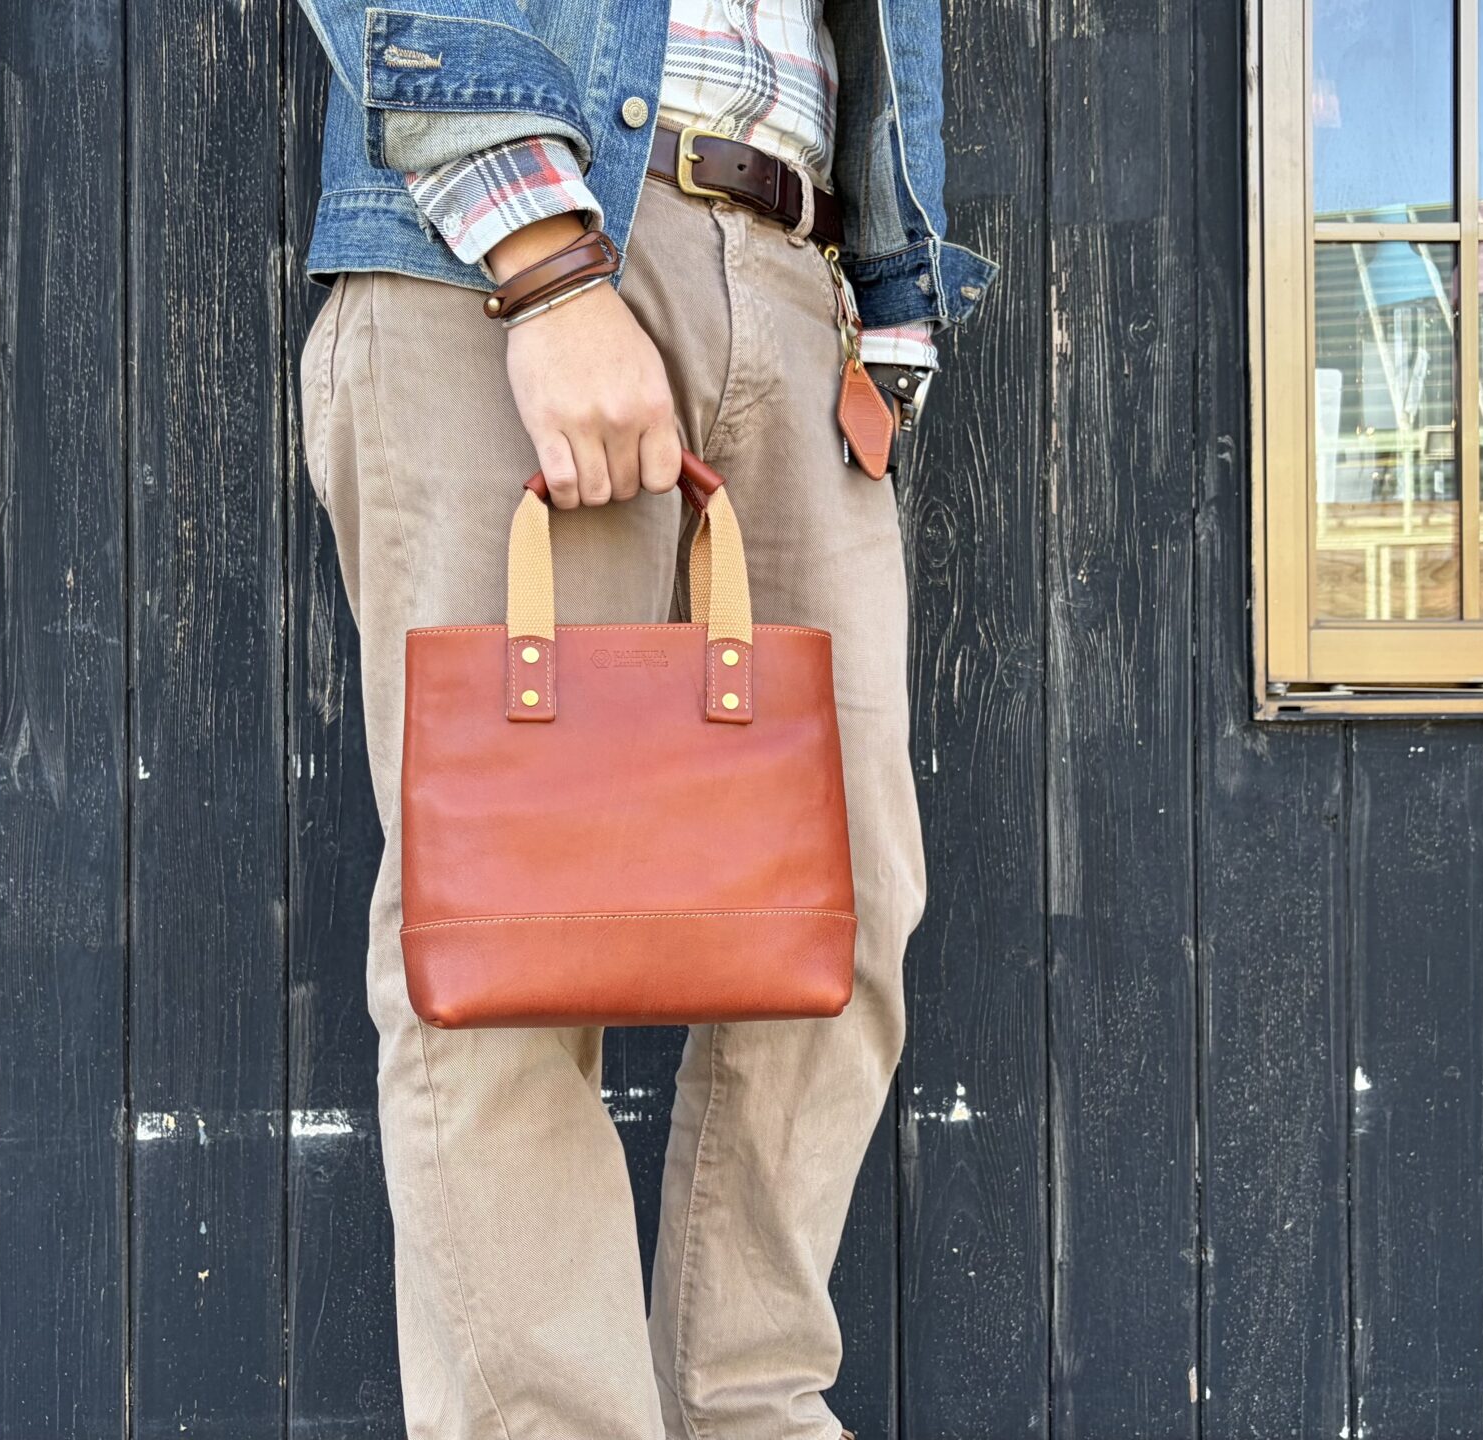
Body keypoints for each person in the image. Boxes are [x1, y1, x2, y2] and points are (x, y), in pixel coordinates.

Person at [290, 4, 994, 1437]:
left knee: (845, 903)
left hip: (798, 270)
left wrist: (887, 305)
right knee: (504, 927)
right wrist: (546, 267)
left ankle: (745, 1409)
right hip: (516, 236)